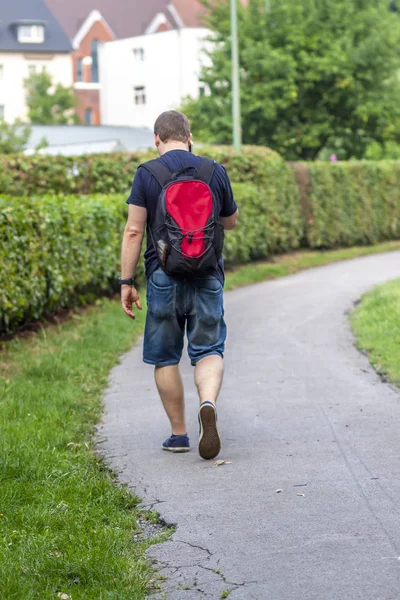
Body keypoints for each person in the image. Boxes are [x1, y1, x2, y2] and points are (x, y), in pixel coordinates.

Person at [119, 110, 238, 460]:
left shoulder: (146, 174)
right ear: (189, 136)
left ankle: (179, 434)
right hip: (207, 276)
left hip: (163, 277)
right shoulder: (214, 170)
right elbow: (229, 222)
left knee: (166, 357)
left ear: (156, 139)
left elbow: (134, 231)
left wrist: (126, 281)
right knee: (209, 351)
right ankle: (207, 402)